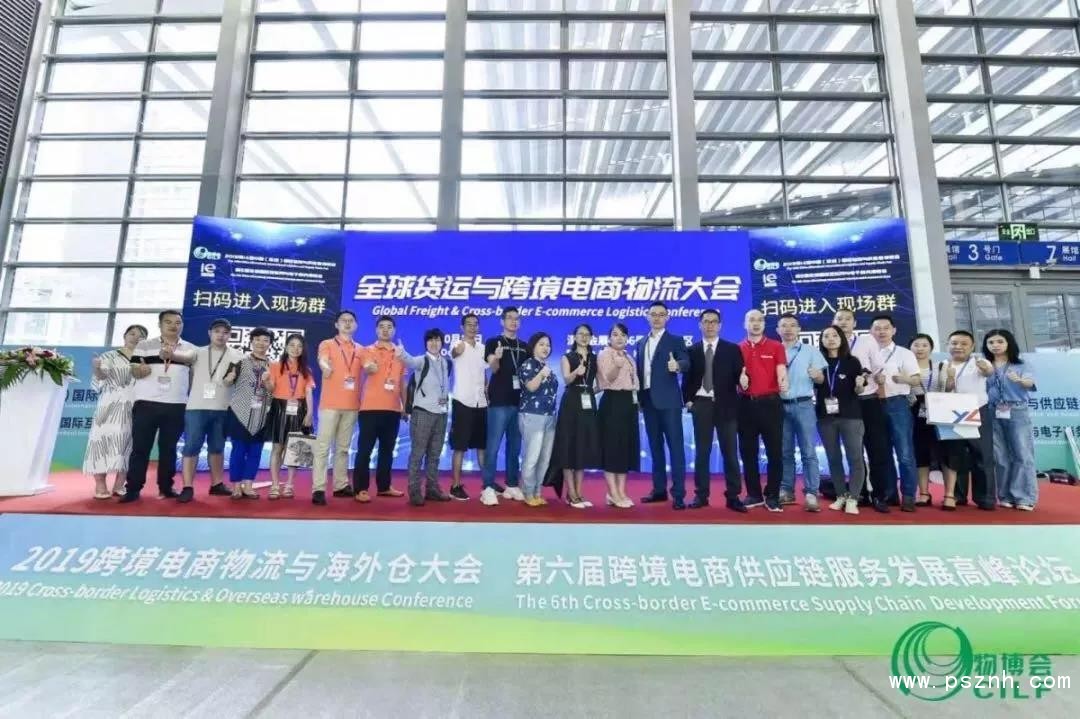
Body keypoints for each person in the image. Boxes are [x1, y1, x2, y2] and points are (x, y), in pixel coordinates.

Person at [122, 310, 197, 503]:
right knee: (140, 448)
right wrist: (140, 369)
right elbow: (134, 371)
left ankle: (166, 487)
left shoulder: (190, 348)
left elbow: (192, 376)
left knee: (169, 449)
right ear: (160, 325)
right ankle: (133, 489)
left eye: (178, 322)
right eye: (168, 322)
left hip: (176, 404)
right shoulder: (145, 345)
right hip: (146, 403)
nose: (173, 326)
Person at [855, 314, 923, 513]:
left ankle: (909, 495)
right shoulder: (862, 353)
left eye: (886, 328)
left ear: (894, 330)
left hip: (896, 404)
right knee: (881, 453)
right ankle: (888, 493)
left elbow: (916, 380)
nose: (881, 332)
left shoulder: (903, 353)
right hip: (871, 404)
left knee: (904, 452)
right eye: (877, 328)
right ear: (870, 331)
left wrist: (904, 379)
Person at [682, 309, 746, 513]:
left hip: (726, 405)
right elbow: (687, 380)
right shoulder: (692, 350)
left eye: (714, 322)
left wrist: (744, 380)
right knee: (702, 453)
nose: (710, 325)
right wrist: (689, 401)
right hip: (701, 404)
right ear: (699, 325)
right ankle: (701, 495)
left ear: (720, 325)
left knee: (730, 453)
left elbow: (740, 375)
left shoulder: (732, 349)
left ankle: (733, 496)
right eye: (706, 321)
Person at [178, 318, 243, 503]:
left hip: (223, 408)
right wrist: (170, 354)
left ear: (230, 335)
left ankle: (217, 484)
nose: (221, 335)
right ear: (209, 333)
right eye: (217, 331)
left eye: (225, 332)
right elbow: (183, 357)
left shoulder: (238, 356)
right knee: (192, 446)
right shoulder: (197, 352)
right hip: (196, 407)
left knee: (217, 447)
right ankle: (187, 487)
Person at [84, 323, 147, 499]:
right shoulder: (110, 355)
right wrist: (97, 368)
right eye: (132, 333)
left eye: (141, 335)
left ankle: (120, 484)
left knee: (128, 443)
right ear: (124, 336)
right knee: (102, 441)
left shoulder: (145, 358)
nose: (136, 337)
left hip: (135, 404)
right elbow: (102, 376)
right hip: (110, 403)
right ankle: (100, 483)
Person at [636, 301, 690, 510]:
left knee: (676, 448)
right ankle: (659, 490)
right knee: (655, 448)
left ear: (667, 317)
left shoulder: (675, 340)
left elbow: (686, 362)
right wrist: (639, 399)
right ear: (647, 317)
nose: (657, 318)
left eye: (661, 314)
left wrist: (677, 365)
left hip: (669, 402)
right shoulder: (641, 342)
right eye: (653, 314)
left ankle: (679, 494)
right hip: (648, 401)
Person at [939, 330, 996, 512]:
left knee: (982, 454)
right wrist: (949, 379)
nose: (958, 347)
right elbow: (944, 389)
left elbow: (988, 371)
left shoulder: (979, 362)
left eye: (964, 344)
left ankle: (985, 497)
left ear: (972, 347)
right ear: (948, 345)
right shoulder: (943, 364)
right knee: (955, 454)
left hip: (977, 411)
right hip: (952, 412)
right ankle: (958, 495)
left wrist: (985, 368)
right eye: (954, 343)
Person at [737, 309, 788, 512]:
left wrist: (784, 380)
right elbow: (733, 375)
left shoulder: (776, 346)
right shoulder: (737, 348)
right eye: (751, 320)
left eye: (759, 320)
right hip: (745, 405)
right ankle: (754, 494)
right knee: (748, 452)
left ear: (764, 324)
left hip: (771, 404)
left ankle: (773, 495)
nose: (756, 323)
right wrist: (738, 380)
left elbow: (781, 369)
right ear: (745, 324)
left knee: (775, 452)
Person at [353, 315, 407, 503]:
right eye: (382, 326)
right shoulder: (367, 350)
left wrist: (405, 406)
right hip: (370, 408)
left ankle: (384, 487)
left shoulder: (400, 354)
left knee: (387, 450)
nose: (385, 330)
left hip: (392, 409)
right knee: (365, 450)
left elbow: (402, 382)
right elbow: (368, 368)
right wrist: (371, 366)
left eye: (389, 327)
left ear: (394, 330)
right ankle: (360, 489)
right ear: (376, 330)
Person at [776, 313, 827, 511]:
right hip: (779, 406)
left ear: (799, 329)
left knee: (808, 451)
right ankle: (786, 490)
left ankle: (811, 493)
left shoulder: (810, 351)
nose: (788, 329)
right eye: (784, 325)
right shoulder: (773, 350)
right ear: (778, 330)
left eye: (792, 325)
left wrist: (817, 376)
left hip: (804, 404)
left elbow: (821, 380)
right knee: (784, 451)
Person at [312, 310, 363, 506]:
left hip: (352, 406)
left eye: (351, 321)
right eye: (343, 321)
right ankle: (318, 488)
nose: (347, 323)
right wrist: (325, 367)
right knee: (323, 448)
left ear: (356, 325)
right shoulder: (327, 344)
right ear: (336, 324)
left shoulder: (361, 349)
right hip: (330, 405)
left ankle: (340, 485)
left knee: (343, 449)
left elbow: (369, 366)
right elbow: (322, 359)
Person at [815, 326, 866, 516]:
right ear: (821, 340)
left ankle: (853, 498)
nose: (830, 339)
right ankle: (841, 495)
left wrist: (860, 385)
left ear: (841, 339)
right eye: (826, 336)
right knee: (833, 458)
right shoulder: (817, 362)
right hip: (825, 416)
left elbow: (859, 389)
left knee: (855, 458)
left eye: (835, 335)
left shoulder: (852, 362)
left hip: (850, 416)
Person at [984, 329, 1038, 511]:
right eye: (991, 342)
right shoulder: (986, 365)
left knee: (1022, 453)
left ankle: (1024, 497)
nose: (995, 345)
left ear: (1009, 343)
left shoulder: (1021, 364)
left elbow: (1029, 383)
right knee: (999, 456)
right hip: (992, 411)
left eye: (1000, 341)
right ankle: (1005, 495)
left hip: (1016, 410)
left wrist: (1020, 381)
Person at [398, 328, 453, 506]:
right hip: (422, 412)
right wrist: (402, 353)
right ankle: (414, 491)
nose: (434, 343)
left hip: (441, 413)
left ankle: (432, 489)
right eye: (430, 340)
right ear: (426, 344)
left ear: (442, 343)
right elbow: (410, 361)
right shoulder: (422, 360)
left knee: (435, 454)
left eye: (437, 340)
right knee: (417, 453)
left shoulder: (446, 363)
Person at [549, 324, 601, 509]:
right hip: (571, 402)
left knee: (582, 448)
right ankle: (571, 494)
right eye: (580, 334)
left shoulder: (595, 358)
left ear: (591, 337)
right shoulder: (567, 357)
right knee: (568, 447)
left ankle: (579, 493)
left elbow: (599, 383)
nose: (584, 337)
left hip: (588, 403)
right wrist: (576, 372)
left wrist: (593, 390)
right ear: (575, 337)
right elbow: (567, 379)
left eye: (587, 334)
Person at [480, 307, 527, 506]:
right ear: (502, 321)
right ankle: (488, 487)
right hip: (498, 401)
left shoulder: (524, 346)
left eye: (517, 319)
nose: (513, 321)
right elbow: (494, 368)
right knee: (492, 446)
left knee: (514, 447)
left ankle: (512, 484)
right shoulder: (493, 342)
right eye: (509, 318)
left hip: (519, 402)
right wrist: (497, 357)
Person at [266, 333, 316, 500]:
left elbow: (308, 392)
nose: (296, 348)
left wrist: (310, 413)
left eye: (299, 346)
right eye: (292, 345)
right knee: (277, 448)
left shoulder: (306, 370)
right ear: (286, 347)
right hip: (279, 408)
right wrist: (265, 381)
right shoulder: (275, 366)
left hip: (299, 409)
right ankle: (275, 485)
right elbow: (271, 388)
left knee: (295, 449)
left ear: (303, 350)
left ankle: (289, 485)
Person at [227, 327, 274, 499]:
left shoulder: (274, 366)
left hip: (262, 414)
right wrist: (229, 377)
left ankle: (248, 485)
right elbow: (227, 381)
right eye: (258, 339)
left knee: (255, 451)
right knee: (238, 450)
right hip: (240, 412)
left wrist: (268, 383)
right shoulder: (239, 361)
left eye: (265, 340)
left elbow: (274, 390)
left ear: (270, 344)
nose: (261, 343)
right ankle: (236, 486)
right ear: (251, 341)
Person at [596, 323, 639, 509]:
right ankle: (613, 493)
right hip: (612, 403)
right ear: (609, 338)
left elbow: (634, 382)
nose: (619, 338)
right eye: (615, 334)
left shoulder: (629, 357)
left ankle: (621, 492)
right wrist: (617, 365)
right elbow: (607, 380)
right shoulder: (604, 354)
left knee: (624, 449)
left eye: (623, 335)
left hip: (629, 403)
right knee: (612, 448)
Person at [448, 313, 487, 501]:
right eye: (469, 324)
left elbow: (483, 372)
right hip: (463, 401)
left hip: (481, 402)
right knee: (460, 446)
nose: (472, 327)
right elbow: (454, 353)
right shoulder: (457, 343)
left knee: (482, 445)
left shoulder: (482, 348)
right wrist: (460, 348)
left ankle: (487, 484)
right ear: (462, 327)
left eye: (475, 324)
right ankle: (455, 485)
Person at [517, 332, 558, 507]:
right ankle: (527, 492)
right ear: (533, 346)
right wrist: (541, 374)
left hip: (549, 416)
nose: (545, 348)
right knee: (532, 457)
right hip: (532, 415)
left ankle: (537, 491)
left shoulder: (546, 366)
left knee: (544, 458)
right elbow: (531, 387)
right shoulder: (528, 364)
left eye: (548, 345)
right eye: (541, 344)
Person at [909, 333, 945, 506]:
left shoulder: (941, 366)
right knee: (920, 452)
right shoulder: (905, 368)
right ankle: (923, 493)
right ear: (910, 348)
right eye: (916, 345)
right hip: (915, 410)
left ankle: (950, 494)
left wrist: (949, 378)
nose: (920, 349)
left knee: (944, 452)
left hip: (939, 409)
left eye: (924, 345)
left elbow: (946, 388)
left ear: (931, 348)